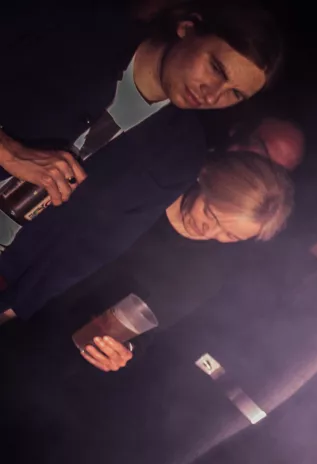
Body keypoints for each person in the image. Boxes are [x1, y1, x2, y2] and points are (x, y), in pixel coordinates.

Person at [0, 0, 282, 325]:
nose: (212, 94)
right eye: (216, 69)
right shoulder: (75, 28)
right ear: (188, 28)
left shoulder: (179, 155)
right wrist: (9, 152)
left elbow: (92, 249)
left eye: (234, 94)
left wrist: (11, 309)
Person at [72, 147, 294, 371]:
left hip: (68, 327)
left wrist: (123, 350)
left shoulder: (207, 272)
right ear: (205, 182)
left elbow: (145, 331)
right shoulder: (152, 182)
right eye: (210, 214)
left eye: (230, 236)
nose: (209, 231)